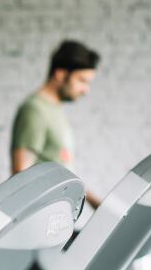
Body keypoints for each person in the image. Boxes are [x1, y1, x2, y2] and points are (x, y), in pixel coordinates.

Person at [10, 40, 102, 209]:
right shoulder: (35, 110)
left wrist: (96, 203)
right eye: (82, 80)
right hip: (43, 225)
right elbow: (19, 179)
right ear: (60, 74)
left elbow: (63, 173)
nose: (85, 90)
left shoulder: (55, 110)